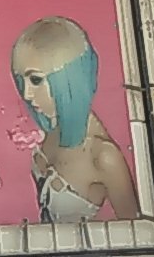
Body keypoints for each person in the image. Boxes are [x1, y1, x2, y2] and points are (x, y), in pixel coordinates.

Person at [10, 16, 139, 224]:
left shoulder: (104, 156)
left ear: (69, 78)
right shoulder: (54, 129)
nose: (26, 94)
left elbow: (136, 233)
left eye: (36, 80)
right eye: (21, 80)